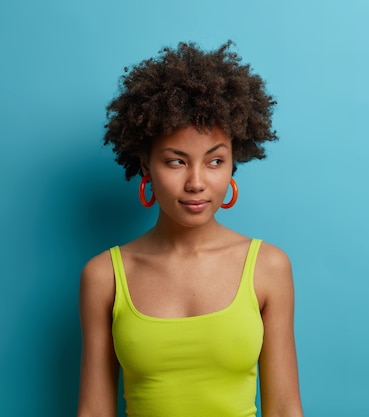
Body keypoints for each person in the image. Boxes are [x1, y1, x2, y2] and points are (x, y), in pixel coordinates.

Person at [77, 41, 304, 417]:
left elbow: (283, 409)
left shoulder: (269, 266)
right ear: (146, 165)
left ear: (234, 163)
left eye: (215, 160)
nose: (197, 182)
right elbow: (93, 411)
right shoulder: (104, 276)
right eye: (176, 162)